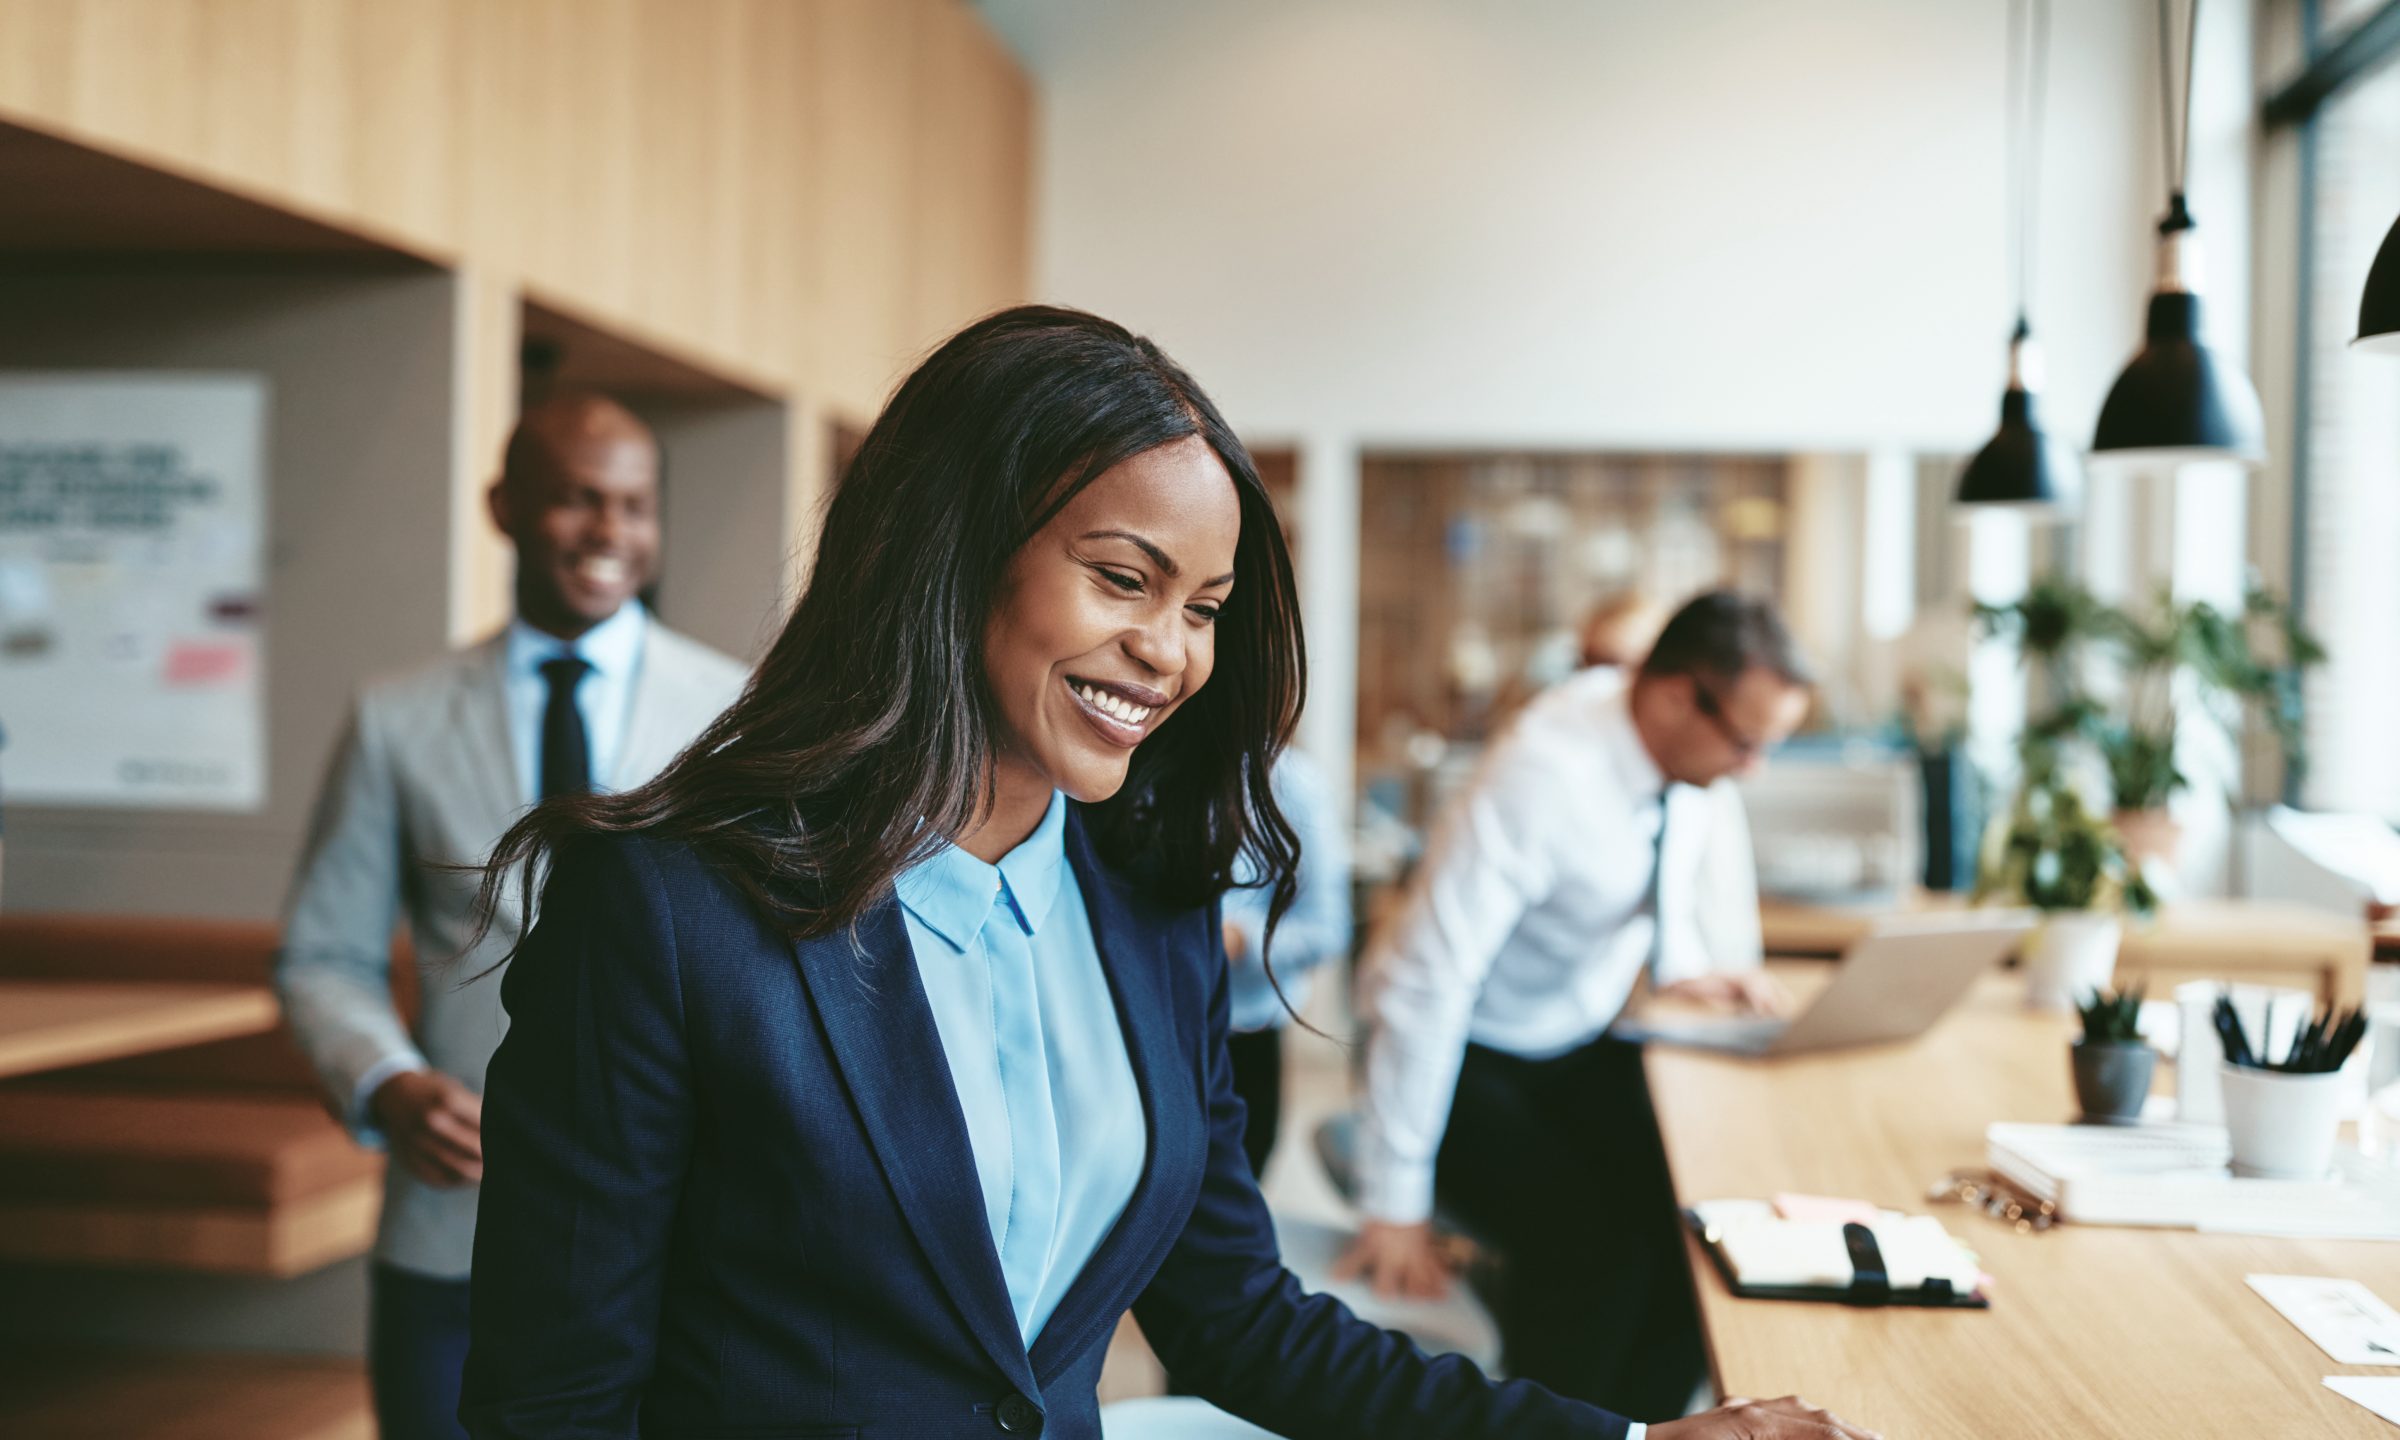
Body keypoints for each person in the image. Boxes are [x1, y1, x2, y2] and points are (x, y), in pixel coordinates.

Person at [458, 309, 1873, 1440]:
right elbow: (551, 1406)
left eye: (1202, 609)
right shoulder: (664, 913)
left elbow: (1237, 1320)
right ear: (953, 558)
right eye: (1123, 578)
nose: (1173, 653)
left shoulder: (1152, 918)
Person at [273, 393, 749, 1440]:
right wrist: (386, 1084)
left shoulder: (736, 716)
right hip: (454, 1233)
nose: (609, 533)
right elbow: (322, 956)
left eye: (633, 505)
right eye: (578, 501)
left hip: (683, 1238)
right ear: (504, 506)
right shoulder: (395, 718)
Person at [1335, 591, 1813, 1421]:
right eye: (1747, 743)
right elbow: (1427, 982)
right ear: (1673, 696)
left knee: (1690, 1219)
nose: (1752, 769)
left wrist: (1689, 966)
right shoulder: (1544, 777)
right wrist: (1395, 1202)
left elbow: (1655, 872)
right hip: (1463, 1049)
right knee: (1593, 1255)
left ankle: (1652, 1431)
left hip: (1567, 1035)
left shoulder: (1672, 758)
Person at [1221, 748, 1351, 1180]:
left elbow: (1326, 929)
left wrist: (1236, 939)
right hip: (1151, 1031)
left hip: (1244, 1037)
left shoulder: (1294, 786)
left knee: (1238, 1188)